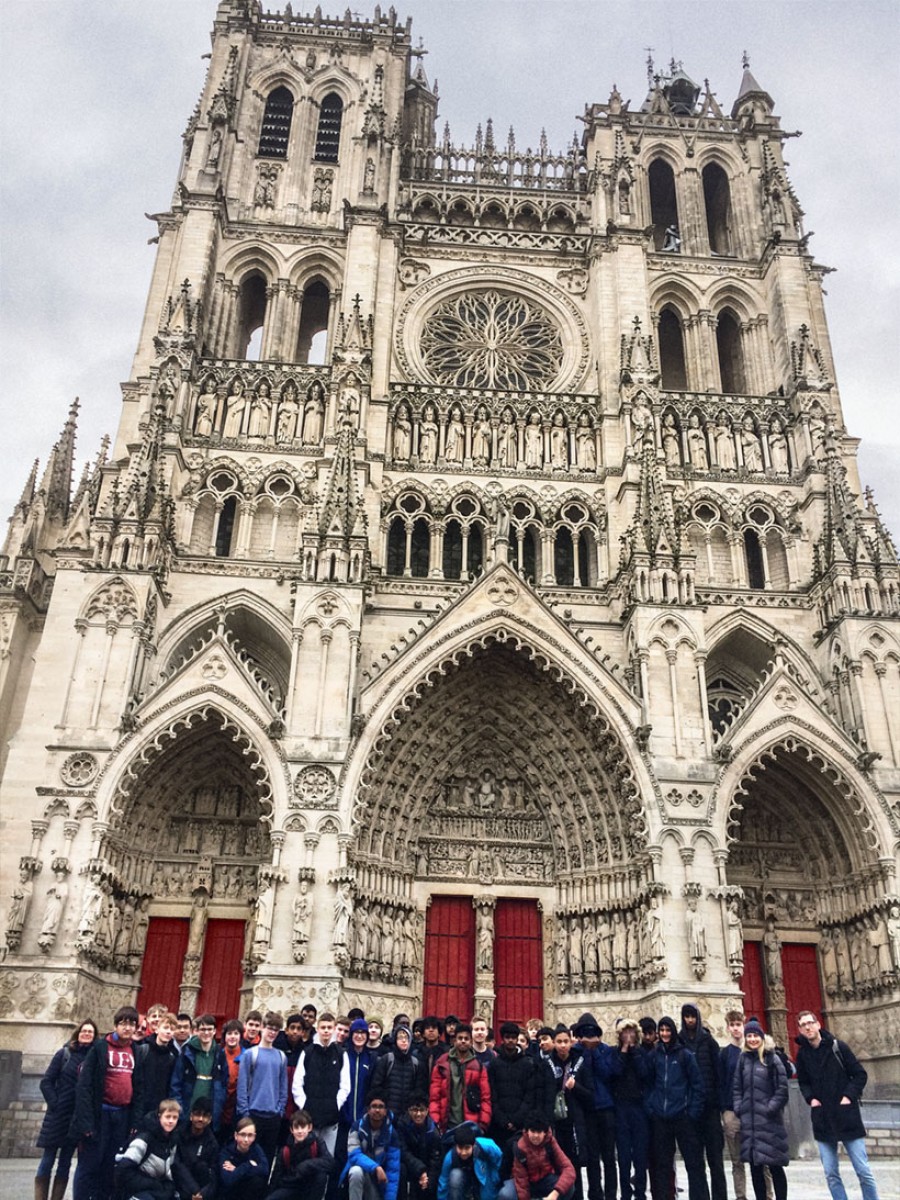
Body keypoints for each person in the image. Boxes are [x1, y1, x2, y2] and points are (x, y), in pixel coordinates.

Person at [794, 1011, 880, 1200]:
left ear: (818, 1024)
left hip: (846, 1114)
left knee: (863, 1170)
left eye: (810, 1023)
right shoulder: (802, 1055)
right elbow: (803, 1082)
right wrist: (811, 1100)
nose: (808, 1027)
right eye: (803, 1025)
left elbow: (860, 1075)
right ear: (800, 1030)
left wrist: (848, 1096)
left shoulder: (837, 1047)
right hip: (823, 1117)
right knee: (831, 1174)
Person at [71, 1005, 143, 1200]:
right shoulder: (100, 1048)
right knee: (89, 1165)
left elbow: (139, 1088)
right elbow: (84, 1086)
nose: (127, 1028)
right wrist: (86, 1123)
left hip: (121, 1115)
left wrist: (134, 1122)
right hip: (99, 1114)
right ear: (115, 1025)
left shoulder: (135, 1051)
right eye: (123, 1023)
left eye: (132, 1024)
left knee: (109, 1165)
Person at [642, 1015, 709, 1200]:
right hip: (661, 1118)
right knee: (662, 1165)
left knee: (693, 1163)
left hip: (682, 1116)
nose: (664, 1034)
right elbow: (647, 1084)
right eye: (661, 1030)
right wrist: (651, 1107)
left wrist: (692, 1112)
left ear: (673, 1031)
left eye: (667, 1030)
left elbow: (697, 1085)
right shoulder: (653, 1056)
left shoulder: (684, 1055)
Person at [34, 1018, 97, 1200]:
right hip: (58, 1115)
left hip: (76, 1118)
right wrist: (55, 1103)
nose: (86, 1034)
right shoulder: (64, 1054)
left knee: (65, 1162)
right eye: (84, 1031)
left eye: (90, 1032)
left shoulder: (94, 1058)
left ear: (94, 1037)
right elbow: (46, 1082)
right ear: (78, 1033)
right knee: (47, 1160)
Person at [732, 1020, 789, 1200]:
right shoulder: (743, 1059)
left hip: (769, 1121)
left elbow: (782, 1088)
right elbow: (736, 1087)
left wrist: (770, 1107)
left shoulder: (772, 1057)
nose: (752, 1039)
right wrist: (739, 1108)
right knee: (755, 1166)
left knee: (775, 1165)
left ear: (762, 1037)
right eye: (749, 1035)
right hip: (750, 1121)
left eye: (755, 1035)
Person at [680, 1004, 726, 1200]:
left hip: (710, 1109)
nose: (690, 1020)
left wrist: (719, 1103)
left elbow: (718, 1074)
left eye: (692, 1016)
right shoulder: (679, 1042)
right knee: (695, 1162)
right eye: (686, 1017)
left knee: (716, 1161)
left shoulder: (709, 1042)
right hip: (690, 1110)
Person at [572, 1013, 617, 1200]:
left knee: (608, 1157)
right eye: (585, 1033)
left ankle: (611, 1195)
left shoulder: (605, 1051)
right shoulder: (575, 1052)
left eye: (592, 1033)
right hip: (587, 1111)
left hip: (606, 1109)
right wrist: (585, 1052)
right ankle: (595, 1194)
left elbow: (608, 1074)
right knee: (592, 1158)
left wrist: (594, 1051)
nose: (589, 1036)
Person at [293, 1011, 351, 1156]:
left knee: (327, 1157)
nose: (326, 1031)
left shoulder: (341, 1054)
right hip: (310, 1115)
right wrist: (304, 1104)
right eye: (323, 1027)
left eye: (329, 1027)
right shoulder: (307, 1053)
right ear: (318, 1029)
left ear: (334, 1029)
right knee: (308, 1155)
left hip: (331, 1117)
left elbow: (345, 1086)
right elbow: (297, 1083)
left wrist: (336, 1104)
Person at [546, 1025, 592, 1200]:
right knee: (556, 1166)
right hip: (555, 1123)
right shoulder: (547, 1065)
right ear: (554, 1043)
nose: (563, 1045)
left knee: (574, 1167)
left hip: (574, 1123)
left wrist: (576, 1087)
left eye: (566, 1041)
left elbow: (590, 1095)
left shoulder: (580, 1063)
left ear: (571, 1042)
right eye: (559, 1042)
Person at [236, 1011, 288, 1167]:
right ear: (262, 1028)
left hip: (273, 1116)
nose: (272, 1033)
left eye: (276, 1030)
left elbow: (283, 1087)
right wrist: (245, 1112)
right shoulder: (251, 1054)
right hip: (253, 1114)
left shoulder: (281, 1056)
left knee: (266, 1159)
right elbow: (242, 1086)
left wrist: (280, 1110)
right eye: (270, 1028)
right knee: (248, 1159)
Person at [609, 1018, 648, 1200]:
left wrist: (634, 1052)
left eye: (632, 1032)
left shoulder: (641, 1053)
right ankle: (625, 1193)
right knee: (623, 1157)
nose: (629, 1036)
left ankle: (640, 1193)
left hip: (639, 1109)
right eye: (625, 1032)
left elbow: (644, 1073)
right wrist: (624, 1051)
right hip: (621, 1109)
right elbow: (614, 1072)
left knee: (640, 1156)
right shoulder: (615, 1053)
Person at [429, 1024, 492, 1135]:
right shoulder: (442, 1064)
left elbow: (485, 1098)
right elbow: (435, 1096)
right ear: (454, 1040)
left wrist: (483, 1124)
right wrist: (436, 1122)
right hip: (446, 1125)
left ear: (471, 1041)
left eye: (466, 1039)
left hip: (471, 1125)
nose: (463, 1041)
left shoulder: (479, 1066)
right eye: (460, 1038)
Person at [113, 1097, 180, 1200]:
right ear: (159, 1116)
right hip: (135, 1190)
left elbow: (169, 1173)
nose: (171, 1121)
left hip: (156, 1189)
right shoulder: (144, 1139)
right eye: (167, 1117)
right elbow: (122, 1171)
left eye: (174, 1118)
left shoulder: (172, 1141)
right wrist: (152, 1184)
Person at [719, 1010, 754, 1200]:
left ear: (744, 1025)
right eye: (732, 1025)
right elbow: (722, 1082)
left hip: (753, 1110)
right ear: (728, 1027)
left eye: (738, 1025)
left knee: (759, 1158)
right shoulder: (725, 1054)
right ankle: (741, 1196)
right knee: (737, 1160)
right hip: (732, 1110)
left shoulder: (753, 1049)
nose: (735, 1029)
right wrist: (725, 1111)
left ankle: (767, 1195)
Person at [498, 1114, 576, 1200]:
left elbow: (568, 1168)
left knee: (569, 1187)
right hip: (523, 1181)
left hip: (545, 1179)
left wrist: (555, 1193)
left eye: (539, 1132)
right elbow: (522, 1182)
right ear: (527, 1131)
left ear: (545, 1133)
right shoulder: (520, 1147)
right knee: (505, 1194)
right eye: (533, 1131)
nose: (536, 1136)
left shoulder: (550, 1142)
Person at [171, 1014, 226, 1132]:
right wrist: (180, 1109)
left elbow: (224, 1081)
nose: (206, 1033)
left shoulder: (219, 1053)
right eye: (203, 1029)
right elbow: (176, 1082)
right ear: (196, 1031)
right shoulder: (187, 1052)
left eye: (209, 1029)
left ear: (215, 1031)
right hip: (188, 1106)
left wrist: (219, 1102)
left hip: (211, 1108)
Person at [341, 1093, 402, 1200]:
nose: (377, 1110)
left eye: (381, 1106)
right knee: (356, 1171)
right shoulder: (356, 1127)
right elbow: (354, 1155)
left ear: (385, 1111)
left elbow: (393, 1171)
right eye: (374, 1106)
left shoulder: (392, 1133)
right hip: (358, 1177)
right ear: (368, 1110)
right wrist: (376, 1167)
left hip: (379, 1181)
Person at [487, 1021, 536, 1150]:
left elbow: (530, 1094)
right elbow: (492, 1093)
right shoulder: (494, 1064)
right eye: (507, 1037)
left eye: (513, 1038)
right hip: (499, 1123)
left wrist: (517, 1119)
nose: (510, 1041)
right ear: (502, 1039)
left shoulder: (527, 1064)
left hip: (520, 1122)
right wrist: (502, 1119)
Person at [267, 1108, 335, 1200]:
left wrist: (307, 1165)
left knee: (321, 1176)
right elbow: (276, 1177)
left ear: (309, 1128)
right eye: (296, 1127)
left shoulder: (317, 1143)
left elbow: (330, 1163)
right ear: (291, 1129)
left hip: (310, 1188)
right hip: (291, 1186)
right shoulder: (285, 1150)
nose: (300, 1131)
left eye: (303, 1127)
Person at [132, 1011, 181, 1124]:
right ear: (157, 1029)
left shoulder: (172, 1057)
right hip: (138, 1106)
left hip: (158, 1109)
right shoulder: (143, 1050)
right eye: (166, 1028)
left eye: (172, 1029)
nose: (168, 1032)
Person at [370, 1024, 427, 1120]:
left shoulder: (415, 1063)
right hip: (387, 1114)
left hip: (407, 1116)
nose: (404, 1041)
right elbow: (376, 1086)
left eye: (406, 1038)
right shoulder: (387, 1059)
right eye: (400, 1037)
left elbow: (419, 1090)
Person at [436, 1122, 502, 1200]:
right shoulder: (450, 1157)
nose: (463, 1153)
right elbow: (443, 1182)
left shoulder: (488, 1146)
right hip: (464, 1177)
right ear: (456, 1145)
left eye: (467, 1148)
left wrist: (495, 1179)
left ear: (473, 1145)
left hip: (485, 1174)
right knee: (455, 1176)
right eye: (460, 1148)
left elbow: (499, 1161)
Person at [396, 1094, 443, 1200]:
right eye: (414, 1110)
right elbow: (403, 1151)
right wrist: (420, 1169)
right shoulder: (402, 1125)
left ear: (427, 1111)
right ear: (409, 1111)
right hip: (410, 1166)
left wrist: (428, 1179)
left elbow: (435, 1159)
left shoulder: (433, 1131)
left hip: (426, 1171)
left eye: (421, 1110)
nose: (418, 1114)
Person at [172, 1095, 219, 1200]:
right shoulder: (178, 1134)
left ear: (210, 1119)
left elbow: (214, 1173)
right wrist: (194, 1190)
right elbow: (176, 1164)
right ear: (191, 1116)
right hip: (180, 1185)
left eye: (205, 1116)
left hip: (200, 1192)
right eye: (197, 1114)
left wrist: (202, 1194)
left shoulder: (212, 1143)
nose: (201, 1119)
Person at [217, 1115, 269, 1199]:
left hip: (248, 1192)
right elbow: (227, 1180)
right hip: (230, 1193)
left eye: (250, 1135)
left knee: (258, 1181)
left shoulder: (256, 1149)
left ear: (254, 1136)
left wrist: (236, 1170)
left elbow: (265, 1170)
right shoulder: (226, 1151)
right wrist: (248, 1165)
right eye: (243, 1135)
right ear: (236, 1135)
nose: (246, 1139)